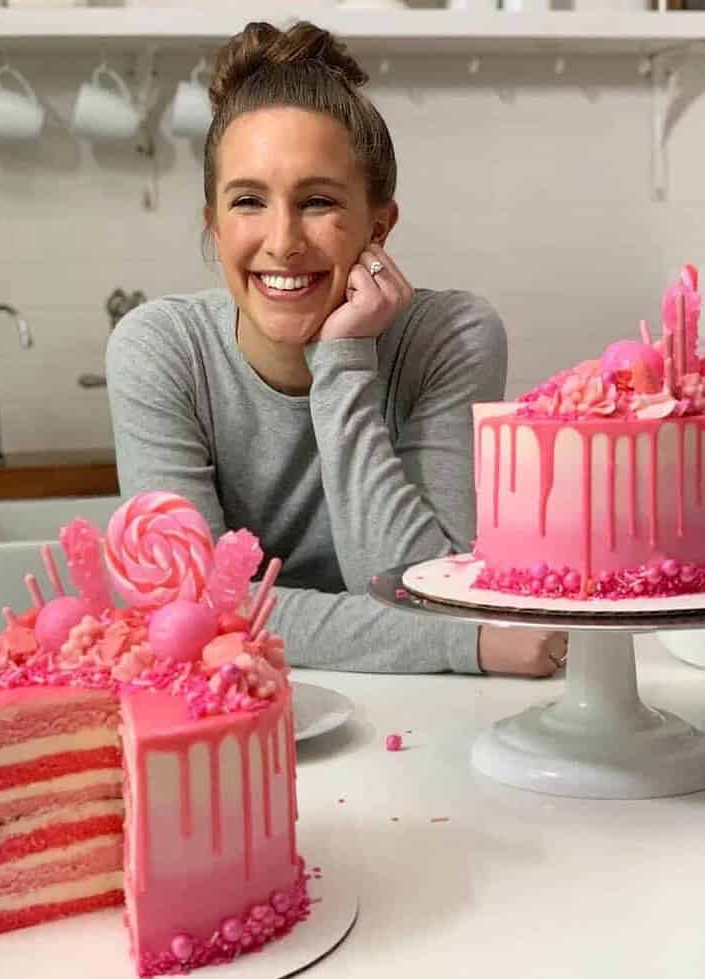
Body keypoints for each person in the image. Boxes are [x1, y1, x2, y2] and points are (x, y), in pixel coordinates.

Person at [106, 20, 567, 678]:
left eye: (317, 201)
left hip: (424, 714)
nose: (283, 240)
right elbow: (192, 617)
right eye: (248, 201)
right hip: (228, 716)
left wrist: (343, 360)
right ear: (213, 224)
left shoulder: (451, 336)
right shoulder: (159, 352)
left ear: (379, 227)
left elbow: (424, 590)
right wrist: (461, 645)